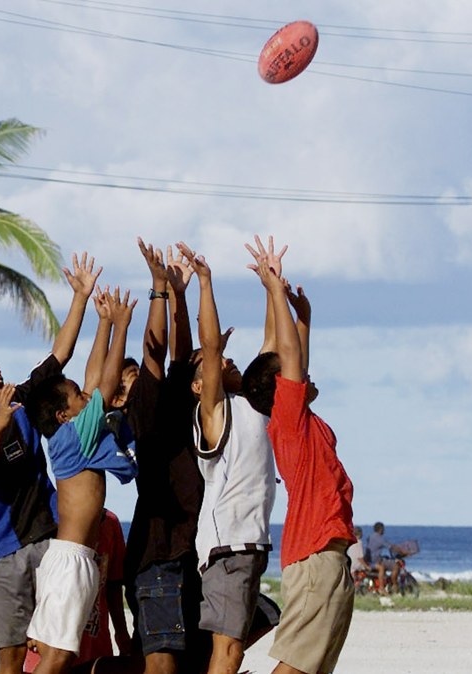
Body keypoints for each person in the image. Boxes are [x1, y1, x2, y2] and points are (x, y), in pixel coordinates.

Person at [0, 253, 102, 674]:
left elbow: (58, 357)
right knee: (9, 659)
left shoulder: (22, 398)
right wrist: (1, 425)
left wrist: (80, 297)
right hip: (2, 551)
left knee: (59, 648)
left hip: (49, 540)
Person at [247, 235, 356, 674]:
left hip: (329, 556)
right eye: (294, 375)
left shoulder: (297, 420)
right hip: (315, 555)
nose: (305, 375)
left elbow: (293, 355)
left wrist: (302, 316)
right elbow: (287, 355)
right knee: (293, 668)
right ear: (281, 390)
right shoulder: (286, 418)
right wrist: (274, 288)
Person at [23, 286, 138, 674]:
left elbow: (91, 384)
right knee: (54, 659)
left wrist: (103, 322)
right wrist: (122, 327)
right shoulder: (73, 436)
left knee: (63, 657)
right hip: (70, 560)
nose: (85, 398)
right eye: (76, 397)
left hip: (81, 560)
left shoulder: (74, 433)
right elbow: (103, 389)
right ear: (63, 415)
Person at [179, 242, 278, 674]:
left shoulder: (253, 404)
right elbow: (209, 347)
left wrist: (271, 287)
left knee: (234, 648)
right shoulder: (215, 413)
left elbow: (274, 348)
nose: (226, 361)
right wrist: (205, 283)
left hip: (251, 543)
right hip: (228, 545)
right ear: (199, 387)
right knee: (228, 651)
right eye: (213, 365)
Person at [121, 239, 213, 674]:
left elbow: (178, 354)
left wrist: (182, 294)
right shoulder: (144, 411)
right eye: (128, 382)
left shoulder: (181, 409)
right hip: (159, 556)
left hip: (191, 554)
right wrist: (159, 289)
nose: (137, 382)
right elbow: (155, 351)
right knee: (161, 663)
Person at [22, 509, 133, 674]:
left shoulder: (110, 522)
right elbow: (25, 575)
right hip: (48, 638)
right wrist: (26, 628)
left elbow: (113, 585)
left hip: (95, 639)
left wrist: (122, 634)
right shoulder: (48, 517)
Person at [365, 522, 395, 594]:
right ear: (380, 529)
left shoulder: (370, 536)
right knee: (393, 567)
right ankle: (382, 587)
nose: (384, 531)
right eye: (383, 529)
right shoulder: (380, 538)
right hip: (373, 562)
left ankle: (383, 584)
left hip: (369, 559)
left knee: (384, 560)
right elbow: (390, 546)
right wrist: (402, 551)